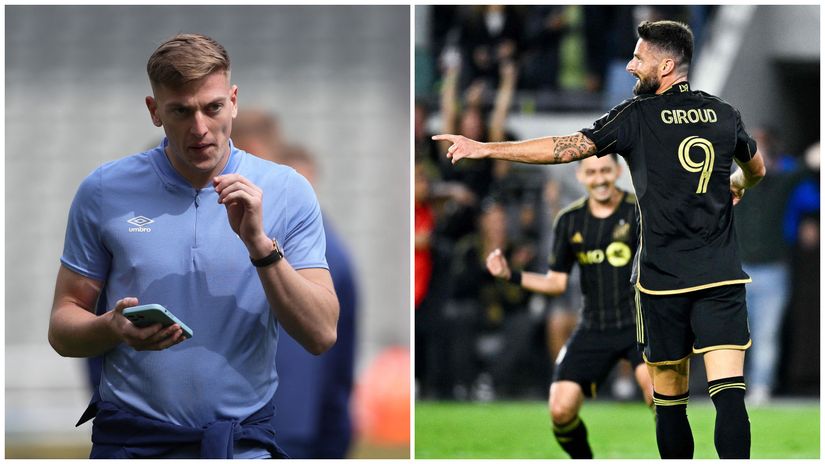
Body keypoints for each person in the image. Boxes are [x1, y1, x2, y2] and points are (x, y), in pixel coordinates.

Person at [435, 20, 766, 459]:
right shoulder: (725, 114)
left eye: (638, 58)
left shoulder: (636, 116)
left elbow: (564, 147)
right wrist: (740, 182)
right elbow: (757, 168)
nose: (630, 66)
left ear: (666, 65)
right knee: (728, 396)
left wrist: (486, 148)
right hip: (720, 275)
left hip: (662, 282)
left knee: (670, 405)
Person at [47, 33, 339, 459]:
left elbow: (320, 334)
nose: (200, 128)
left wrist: (259, 245)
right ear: (154, 111)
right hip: (132, 443)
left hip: (241, 446)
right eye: (181, 111)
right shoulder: (104, 190)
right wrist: (112, 328)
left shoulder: (287, 191)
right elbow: (62, 325)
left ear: (233, 101)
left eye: (213, 107)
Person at [486, 154, 653, 458]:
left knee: (659, 396)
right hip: (593, 327)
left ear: (617, 171)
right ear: (580, 177)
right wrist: (510, 275)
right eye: (592, 172)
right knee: (561, 410)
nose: (600, 178)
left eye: (605, 170)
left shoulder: (639, 212)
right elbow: (556, 282)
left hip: (639, 327)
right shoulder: (569, 220)